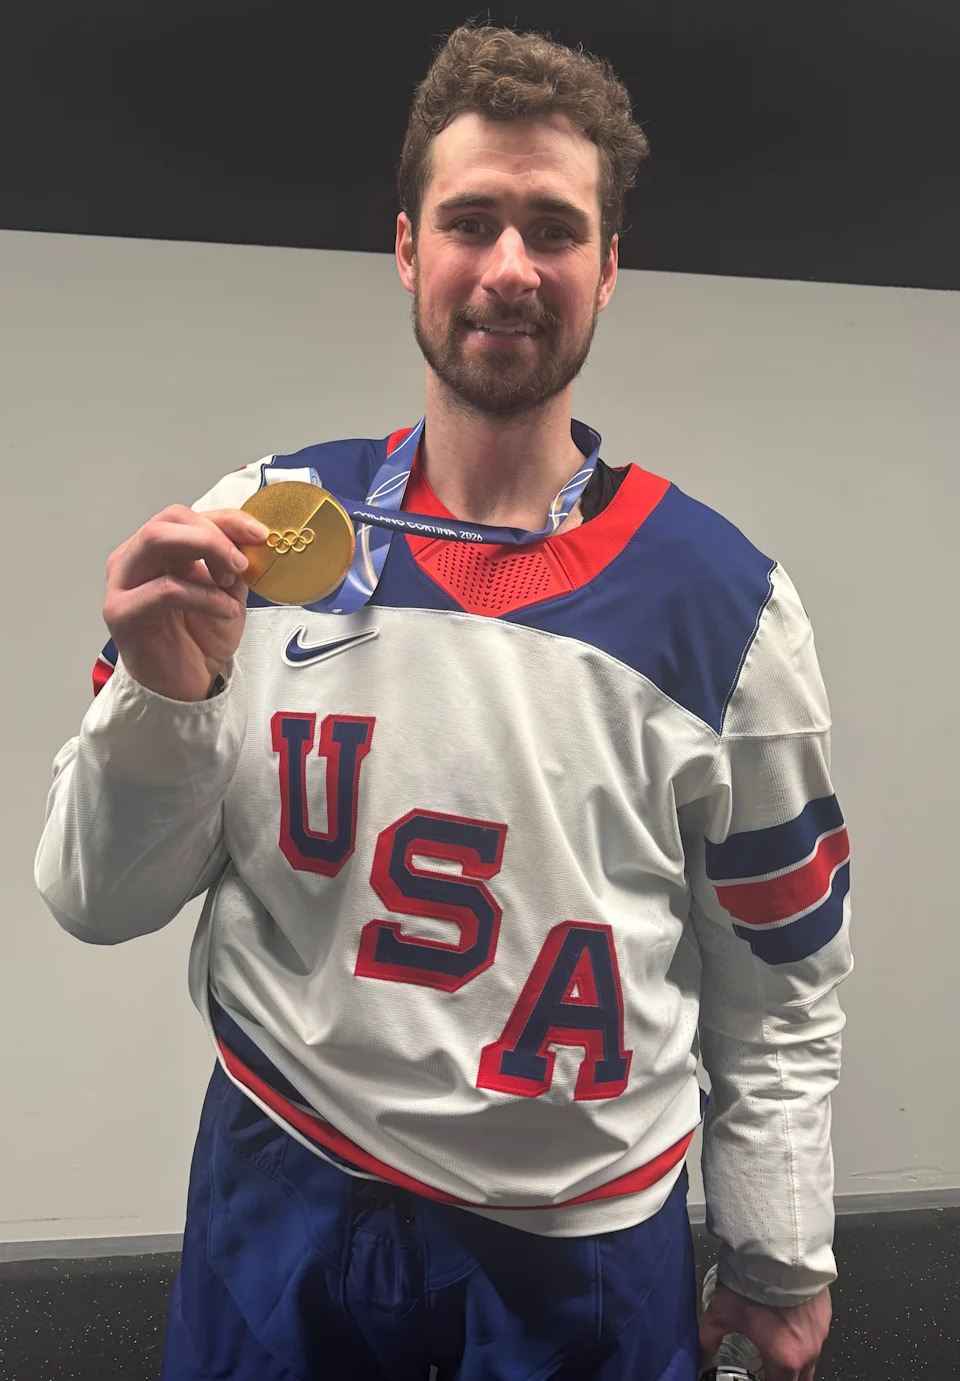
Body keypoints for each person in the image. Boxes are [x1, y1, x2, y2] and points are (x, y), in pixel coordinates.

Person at [34, 22, 851, 1381]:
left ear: (609, 265)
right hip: (281, 1185)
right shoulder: (252, 533)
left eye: (555, 227)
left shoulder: (728, 605)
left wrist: (777, 1251)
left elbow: (781, 979)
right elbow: (92, 894)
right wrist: (162, 709)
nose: (512, 267)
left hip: (580, 1246)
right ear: (408, 249)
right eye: (472, 221)